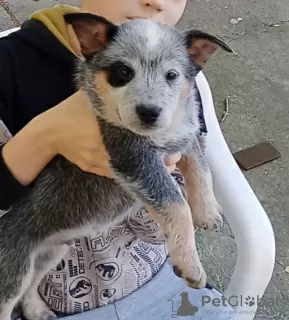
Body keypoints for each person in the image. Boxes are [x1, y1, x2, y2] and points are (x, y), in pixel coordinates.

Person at [0, 1, 220, 320]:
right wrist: (43, 135)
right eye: (122, 72)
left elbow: (188, 145)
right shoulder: (8, 65)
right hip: (51, 268)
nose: (155, 1)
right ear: (91, 40)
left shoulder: (178, 65)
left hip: (153, 273)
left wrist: (190, 187)